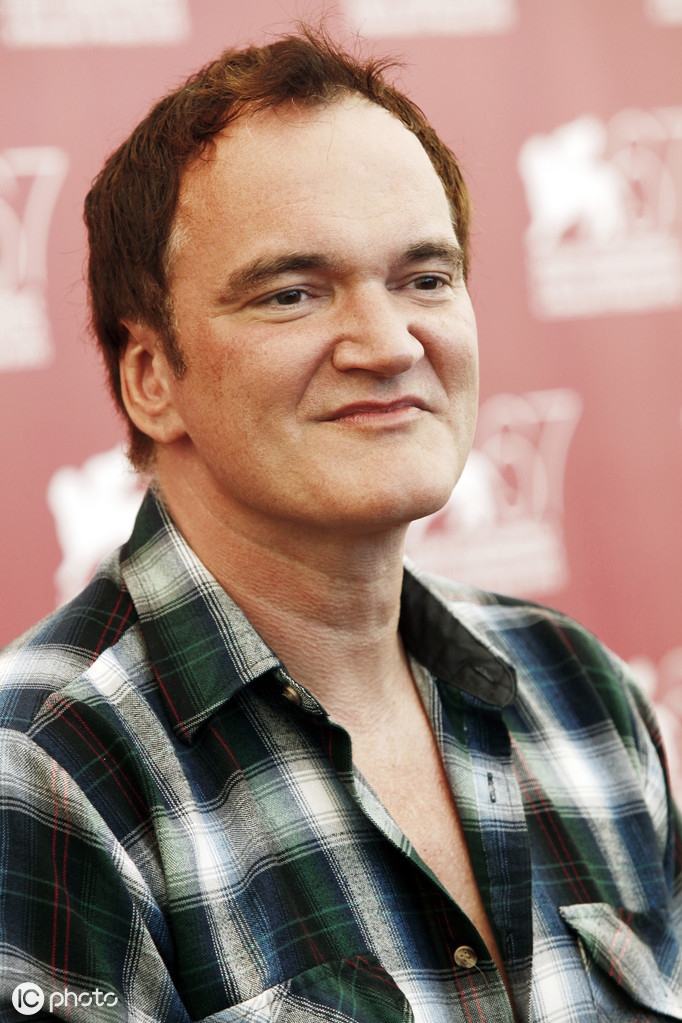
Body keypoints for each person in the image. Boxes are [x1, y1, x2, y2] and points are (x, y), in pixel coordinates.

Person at [1, 28, 681, 1023]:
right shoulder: (42, 769)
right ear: (151, 378)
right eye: (293, 294)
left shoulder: (581, 691)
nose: (388, 342)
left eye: (425, 278)